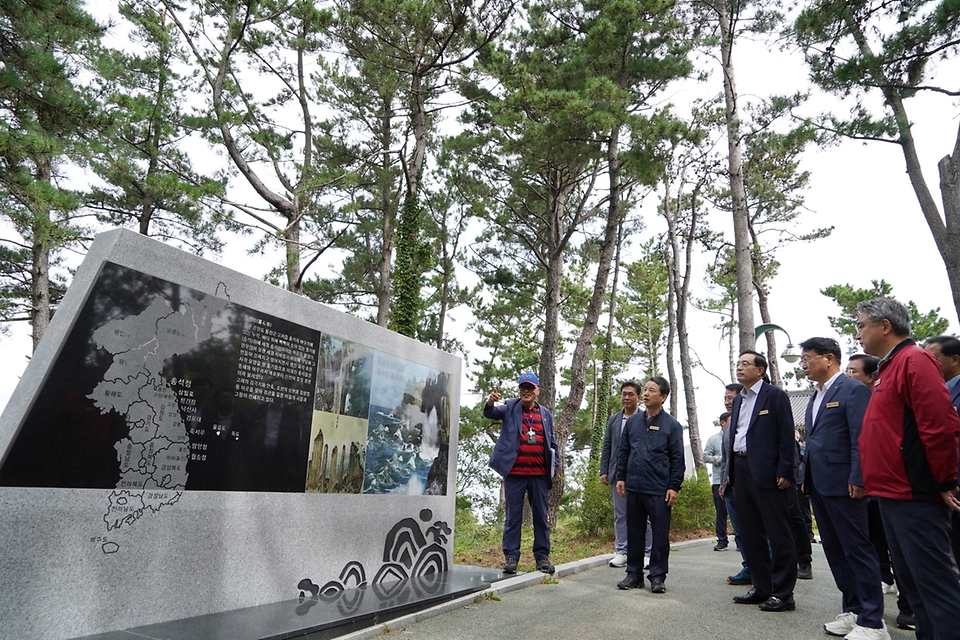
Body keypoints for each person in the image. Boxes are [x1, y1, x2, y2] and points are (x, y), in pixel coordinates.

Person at [856, 298, 960, 640]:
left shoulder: (915, 360)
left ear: (885, 326)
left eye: (861, 325)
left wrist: (944, 479)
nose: (858, 334)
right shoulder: (889, 366)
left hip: (914, 493)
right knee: (914, 592)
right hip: (890, 493)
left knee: (937, 590)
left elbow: (940, 424)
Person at [799, 337, 888, 640]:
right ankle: (852, 610)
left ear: (828, 359)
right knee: (836, 552)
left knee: (858, 549)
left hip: (846, 485)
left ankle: (873, 620)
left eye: (808, 358)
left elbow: (862, 437)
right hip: (820, 485)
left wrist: (859, 477)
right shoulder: (816, 396)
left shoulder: (852, 390)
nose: (804, 364)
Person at [847, 353, 916, 631]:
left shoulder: (887, 398)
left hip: (892, 485)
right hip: (869, 487)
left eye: (853, 371)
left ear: (870, 376)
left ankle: (908, 607)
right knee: (875, 541)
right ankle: (884, 582)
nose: (849, 375)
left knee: (899, 546)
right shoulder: (860, 401)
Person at [727, 350, 798, 612]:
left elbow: (786, 434)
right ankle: (761, 586)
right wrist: (729, 474)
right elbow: (736, 437)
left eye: (746, 364)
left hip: (768, 472)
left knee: (778, 534)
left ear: (760, 370)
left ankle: (783, 593)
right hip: (741, 469)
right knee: (750, 533)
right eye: (738, 364)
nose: (740, 368)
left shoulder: (774, 395)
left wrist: (785, 471)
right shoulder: (738, 400)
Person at [614, 376, 685, 594]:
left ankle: (657, 576)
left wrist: (674, 486)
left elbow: (677, 459)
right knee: (634, 531)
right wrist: (621, 477)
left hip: (658, 489)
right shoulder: (634, 422)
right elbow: (624, 450)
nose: (645, 394)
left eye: (651, 390)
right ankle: (634, 574)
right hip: (634, 486)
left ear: (663, 397)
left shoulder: (672, 425)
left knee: (660, 534)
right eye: (644, 390)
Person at [486, 372, 559, 575]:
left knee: (541, 518)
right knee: (513, 517)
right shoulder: (510, 407)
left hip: (539, 475)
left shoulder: (545, 414)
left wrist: (555, 466)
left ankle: (542, 557)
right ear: (519, 390)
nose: (526, 392)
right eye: (523, 388)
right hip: (515, 474)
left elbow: (552, 442)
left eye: (530, 388)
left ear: (537, 391)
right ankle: (511, 557)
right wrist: (490, 402)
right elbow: (491, 414)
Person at [599, 381, 653, 568]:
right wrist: (604, 470)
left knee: (643, 515)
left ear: (638, 397)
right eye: (624, 394)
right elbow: (607, 446)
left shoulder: (645, 418)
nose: (627, 397)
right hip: (617, 474)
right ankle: (622, 551)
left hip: (640, 475)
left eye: (631, 394)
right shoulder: (614, 419)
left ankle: (647, 552)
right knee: (620, 514)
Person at [924, 335, 960, 573]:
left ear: (955, 360)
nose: (929, 364)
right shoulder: (938, 390)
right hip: (946, 482)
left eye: (935, 359)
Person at [703, 412, 731, 551]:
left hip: (736, 480)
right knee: (721, 512)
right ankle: (722, 540)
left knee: (740, 512)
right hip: (718, 480)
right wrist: (721, 459)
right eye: (729, 421)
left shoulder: (736, 437)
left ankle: (740, 540)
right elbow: (705, 456)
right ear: (722, 422)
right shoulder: (713, 439)